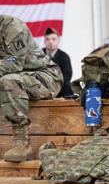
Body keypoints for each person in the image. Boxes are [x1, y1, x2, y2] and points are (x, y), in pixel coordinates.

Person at [0, 15, 62, 162]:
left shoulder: (12, 27)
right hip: (22, 76)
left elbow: (14, 62)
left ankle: (22, 143)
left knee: (8, 81)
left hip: (46, 76)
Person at [43, 27, 75, 98]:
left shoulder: (64, 57)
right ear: (44, 41)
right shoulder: (39, 55)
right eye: (47, 39)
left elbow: (67, 76)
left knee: (67, 85)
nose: (50, 42)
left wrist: (55, 87)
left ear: (58, 40)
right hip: (43, 87)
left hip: (60, 88)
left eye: (53, 39)